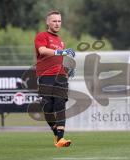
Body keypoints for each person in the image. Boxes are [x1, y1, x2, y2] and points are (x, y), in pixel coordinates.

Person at [34, 10, 75, 148]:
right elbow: (43, 51)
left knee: (60, 103)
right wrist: (61, 52)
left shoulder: (60, 41)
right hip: (45, 76)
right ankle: (56, 133)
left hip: (60, 76)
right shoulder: (42, 36)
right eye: (54, 21)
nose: (57, 24)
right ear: (48, 22)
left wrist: (67, 71)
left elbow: (58, 59)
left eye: (59, 21)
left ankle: (60, 139)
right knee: (48, 108)